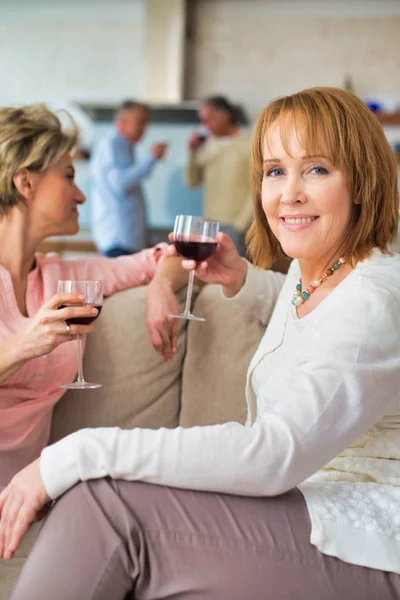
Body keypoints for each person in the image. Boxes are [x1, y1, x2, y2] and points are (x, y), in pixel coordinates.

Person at [4, 87, 400, 599]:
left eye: (317, 169)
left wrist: (77, 452)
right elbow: (316, 314)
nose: (289, 193)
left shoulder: (374, 298)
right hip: (309, 509)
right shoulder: (318, 276)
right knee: (94, 498)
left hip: (365, 539)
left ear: (364, 182)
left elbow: (275, 452)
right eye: (276, 171)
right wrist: (243, 279)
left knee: (104, 505)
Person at [0, 103, 187, 494]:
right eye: (69, 176)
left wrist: (161, 287)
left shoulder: (66, 277)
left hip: (22, 497)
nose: (82, 195)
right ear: (25, 183)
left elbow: (168, 256)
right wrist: (21, 347)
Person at [90, 100, 168, 257]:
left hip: (127, 240)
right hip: (118, 240)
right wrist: (151, 158)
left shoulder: (125, 147)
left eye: (146, 123)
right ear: (122, 122)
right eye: (140, 122)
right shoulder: (111, 146)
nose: (144, 129)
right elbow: (121, 184)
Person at [186, 95, 253, 255]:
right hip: (208, 224)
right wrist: (193, 153)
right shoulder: (209, 144)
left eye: (209, 119)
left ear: (225, 115)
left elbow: (258, 188)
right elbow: (192, 182)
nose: (206, 125)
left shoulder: (249, 143)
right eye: (203, 120)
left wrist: (239, 225)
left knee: (233, 276)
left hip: (236, 227)